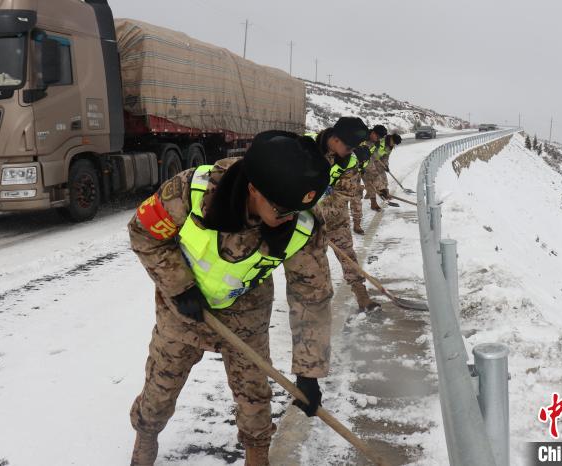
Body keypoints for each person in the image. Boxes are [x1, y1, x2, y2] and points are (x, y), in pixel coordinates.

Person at [128, 131, 333, 466]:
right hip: (182, 310)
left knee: (254, 396)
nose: (290, 218)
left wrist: (308, 371)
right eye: (282, 209)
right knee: (160, 388)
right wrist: (179, 287)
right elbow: (143, 233)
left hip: (246, 309)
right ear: (253, 188)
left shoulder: (302, 219)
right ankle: (146, 438)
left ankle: (257, 455)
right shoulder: (192, 191)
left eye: (299, 210)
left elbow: (311, 295)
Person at [309, 117, 382, 312]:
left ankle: (361, 294)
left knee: (347, 254)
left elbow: (343, 195)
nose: (351, 152)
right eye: (349, 147)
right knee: (312, 263)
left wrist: (318, 213)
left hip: (333, 215)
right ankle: (314, 307)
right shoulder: (305, 147)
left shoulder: (349, 161)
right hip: (300, 218)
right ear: (335, 139)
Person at [362, 125, 388, 211]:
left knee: (371, 181)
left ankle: (373, 203)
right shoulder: (362, 139)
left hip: (364, 164)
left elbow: (373, 155)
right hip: (353, 167)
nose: (378, 139)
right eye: (378, 137)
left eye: (380, 138)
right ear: (373, 133)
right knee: (355, 191)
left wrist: (384, 165)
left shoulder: (375, 142)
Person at [372, 133, 402, 199]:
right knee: (376, 176)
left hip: (378, 160)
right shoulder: (381, 141)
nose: (393, 144)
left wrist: (386, 165)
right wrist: (376, 158)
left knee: (383, 175)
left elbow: (386, 157)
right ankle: (380, 191)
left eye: (395, 144)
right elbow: (372, 151)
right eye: (394, 142)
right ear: (391, 139)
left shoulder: (390, 147)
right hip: (370, 159)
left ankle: (385, 191)